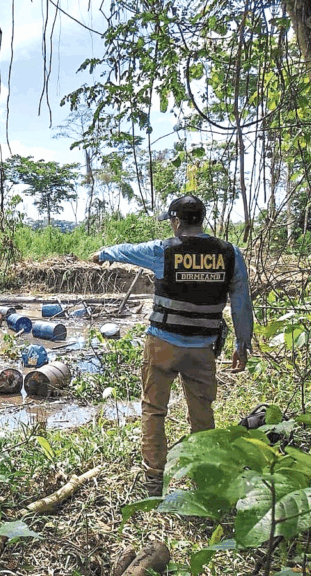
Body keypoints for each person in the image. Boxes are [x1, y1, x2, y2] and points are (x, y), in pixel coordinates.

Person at [91, 195, 253, 497]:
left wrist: (103, 253)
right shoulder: (231, 254)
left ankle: (154, 481)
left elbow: (128, 251)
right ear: (201, 220)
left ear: (177, 221)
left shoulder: (164, 250)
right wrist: (242, 344)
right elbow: (241, 303)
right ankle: (203, 479)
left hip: (162, 345)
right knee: (202, 413)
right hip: (203, 349)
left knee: (154, 410)